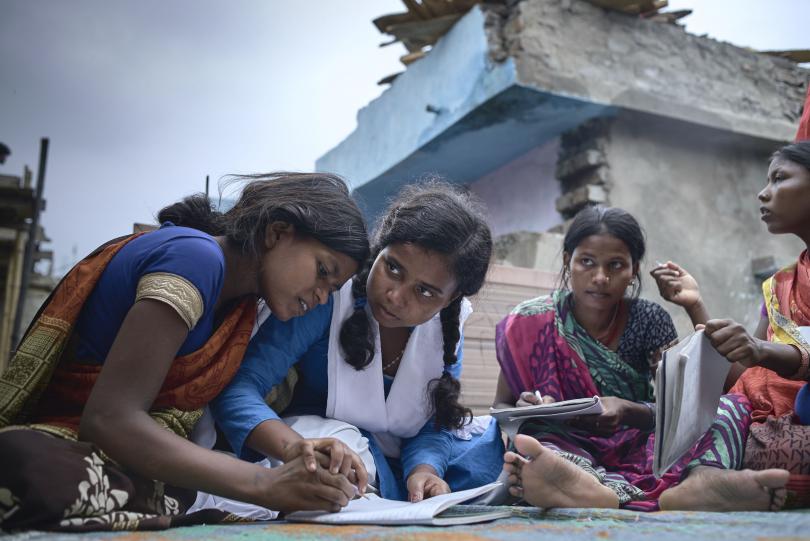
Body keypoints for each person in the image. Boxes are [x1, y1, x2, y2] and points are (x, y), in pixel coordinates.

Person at [0, 172, 371, 531]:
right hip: (65, 439)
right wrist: (265, 484)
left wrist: (296, 452)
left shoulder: (241, 305)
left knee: (176, 487)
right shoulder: (196, 259)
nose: (322, 296)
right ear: (276, 232)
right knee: (32, 469)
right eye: (323, 271)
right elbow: (109, 420)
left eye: (333, 288)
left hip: (117, 457)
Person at [211, 182, 503, 506]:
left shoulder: (447, 329)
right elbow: (239, 389)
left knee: (488, 448)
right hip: (327, 443)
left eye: (425, 292)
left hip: (395, 459)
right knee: (342, 460)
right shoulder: (327, 298)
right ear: (380, 247)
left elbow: (434, 422)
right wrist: (295, 448)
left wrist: (424, 471)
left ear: (451, 299)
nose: (395, 296)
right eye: (392, 268)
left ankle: (397, 490)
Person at [498, 205, 789, 512]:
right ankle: (576, 483)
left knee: (731, 405)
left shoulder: (649, 319)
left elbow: (680, 409)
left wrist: (627, 410)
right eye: (586, 262)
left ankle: (703, 479)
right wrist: (525, 408)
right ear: (567, 260)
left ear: (633, 270)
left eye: (615, 265)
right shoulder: (531, 321)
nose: (600, 277)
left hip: (638, 446)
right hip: (564, 443)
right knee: (533, 438)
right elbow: (502, 405)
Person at [652, 140, 810, 507]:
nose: (763, 192)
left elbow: (760, 353)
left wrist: (760, 349)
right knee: (684, 428)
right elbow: (744, 375)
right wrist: (696, 305)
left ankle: (716, 477)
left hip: (796, 415)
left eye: (779, 179)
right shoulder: (778, 286)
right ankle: (714, 479)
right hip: (756, 416)